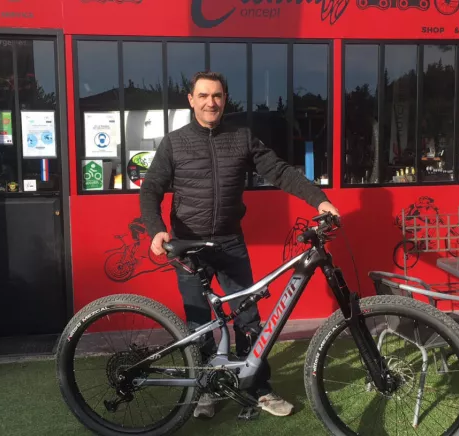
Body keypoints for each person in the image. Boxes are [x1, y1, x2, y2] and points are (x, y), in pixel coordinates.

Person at [139, 71, 339, 419]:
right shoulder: (174, 142)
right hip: (188, 247)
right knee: (200, 324)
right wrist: (156, 230)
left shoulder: (241, 137)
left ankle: (258, 387)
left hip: (229, 242)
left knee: (248, 318)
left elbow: (280, 171)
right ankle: (205, 389)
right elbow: (151, 187)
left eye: (216, 96)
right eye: (203, 95)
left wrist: (319, 200)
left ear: (224, 99)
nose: (210, 102)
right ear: (191, 100)